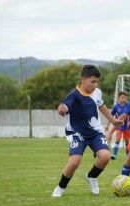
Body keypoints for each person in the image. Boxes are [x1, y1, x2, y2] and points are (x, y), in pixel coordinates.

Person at [52, 65, 123, 197]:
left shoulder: (97, 92)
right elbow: (65, 107)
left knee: (105, 156)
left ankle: (92, 177)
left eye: (97, 82)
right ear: (83, 79)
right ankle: (61, 187)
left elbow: (101, 106)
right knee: (74, 161)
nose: (95, 85)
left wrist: (113, 120)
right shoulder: (74, 95)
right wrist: (62, 109)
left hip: (95, 132)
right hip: (77, 133)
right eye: (92, 81)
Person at [105, 91, 130, 160]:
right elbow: (111, 116)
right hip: (119, 126)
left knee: (127, 141)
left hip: (127, 127)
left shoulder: (129, 106)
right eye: (121, 98)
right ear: (118, 98)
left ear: (126, 98)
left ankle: (127, 155)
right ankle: (114, 154)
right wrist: (107, 125)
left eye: (124, 98)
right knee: (118, 139)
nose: (123, 99)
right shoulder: (116, 107)